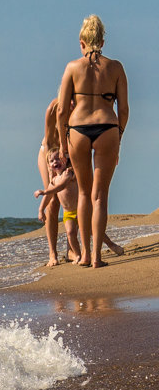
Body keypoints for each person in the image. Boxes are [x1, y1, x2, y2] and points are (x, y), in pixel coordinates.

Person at [58, 14, 128, 268]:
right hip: (107, 127)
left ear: (82, 41)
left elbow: (62, 110)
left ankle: (85, 255)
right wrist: (118, 136)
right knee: (101, 195)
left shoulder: (72, 68)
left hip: (78, 128)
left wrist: (64, 140)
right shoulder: (116, 68)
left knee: (84, 193)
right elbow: (124, 110)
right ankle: (98, 257)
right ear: (102, 40)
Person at [34, 149, 81, 266]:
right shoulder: (54, 180)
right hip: (68, 213)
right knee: (70, 233)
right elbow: (49, 195)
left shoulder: (69, 173)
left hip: (80, 210)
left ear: (65, 159)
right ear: (49, 166)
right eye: (52, 160)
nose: (55, 162)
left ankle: (111, 245)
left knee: (91, 231)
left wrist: (44, 191)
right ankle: (79, 254)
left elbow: (61, 186)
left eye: (58, 158)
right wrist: (41, 210)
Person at [38, 98, 63, 264]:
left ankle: (72, 249)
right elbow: (48, 142)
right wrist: (50, 169)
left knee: (73, 198)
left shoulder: (84, 102)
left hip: (68, 154)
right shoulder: (54, 108)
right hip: (49, 153)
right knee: (53, 200)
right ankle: (52, 253)